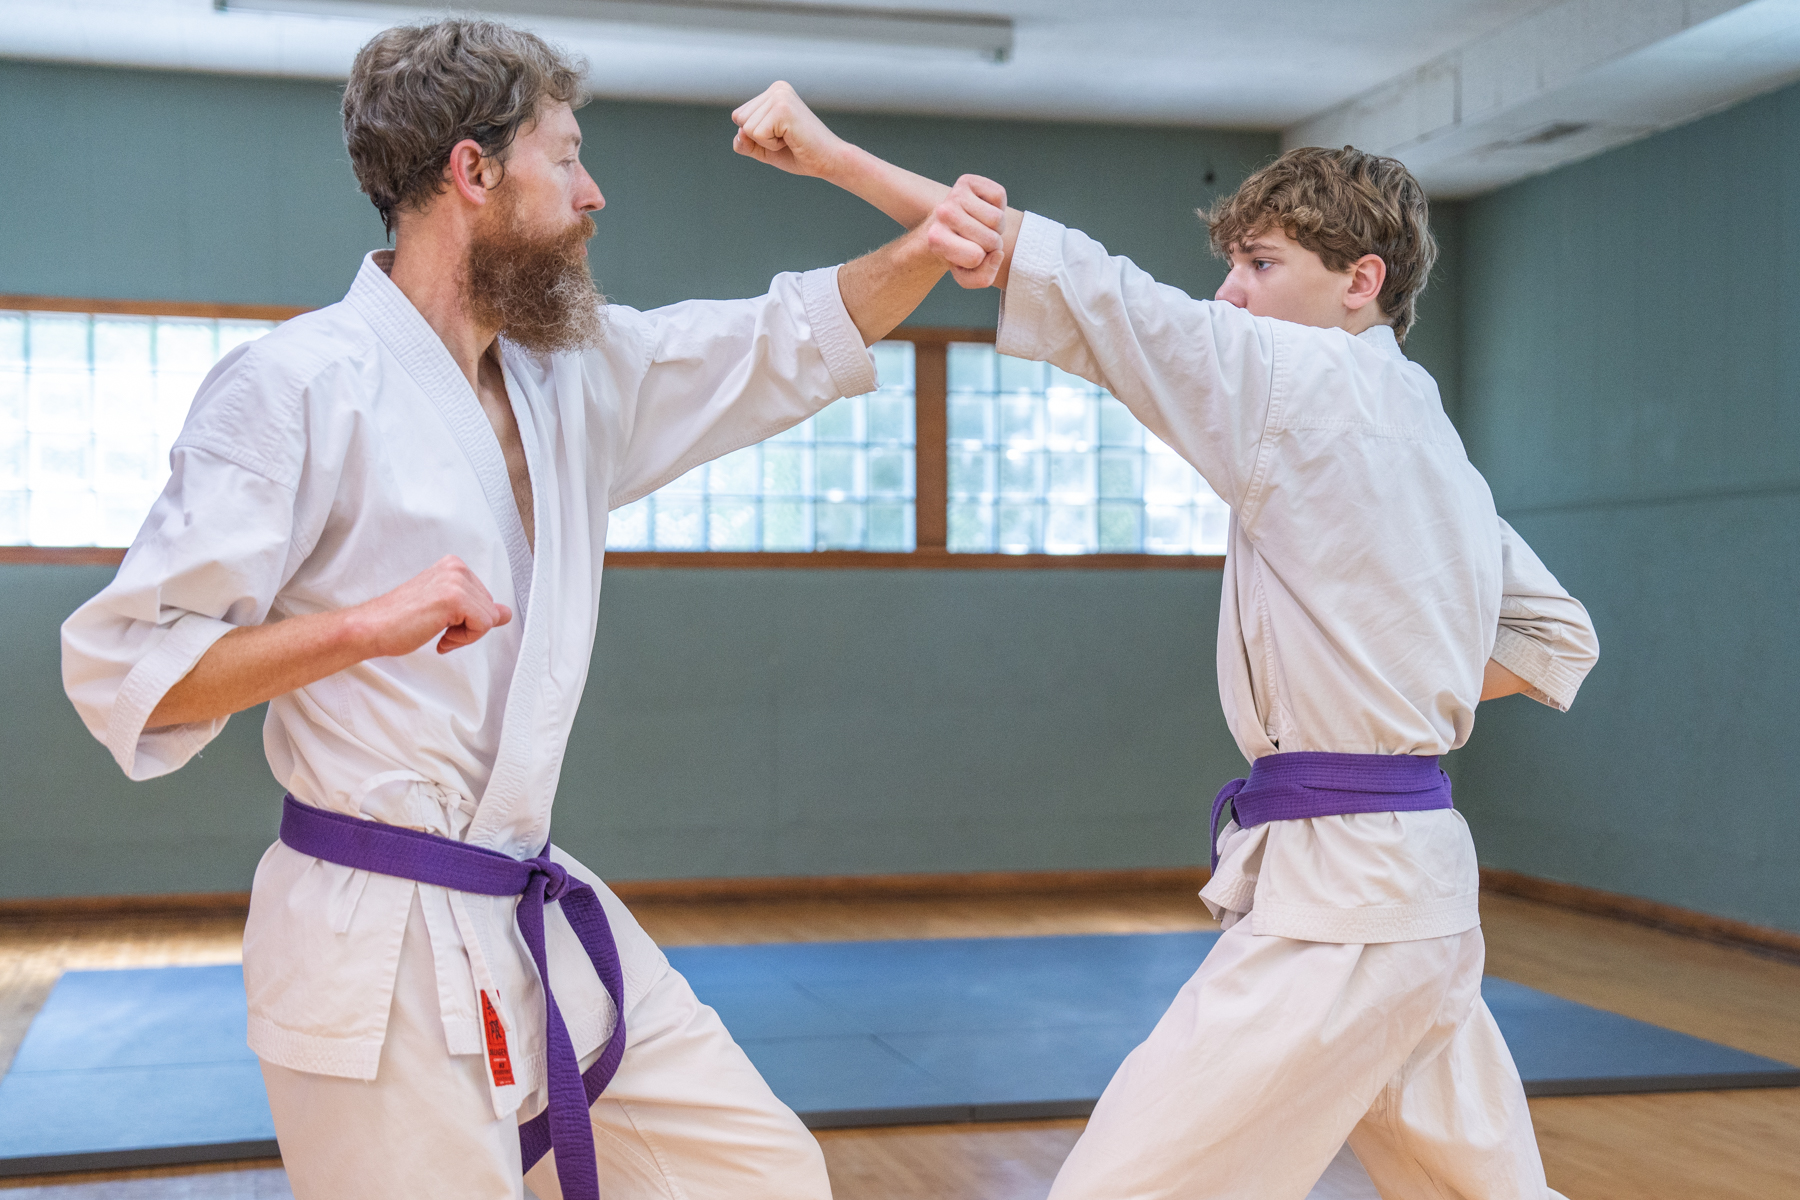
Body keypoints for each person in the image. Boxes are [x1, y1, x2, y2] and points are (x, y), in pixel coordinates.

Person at [61, 24, 962, 1200]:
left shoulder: (566, 371)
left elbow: (775, 339)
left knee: (755, 1172)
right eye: (567, 158)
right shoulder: (297, 387)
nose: (594, 193)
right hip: (372, 935)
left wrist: (928, 244)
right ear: (471, 174)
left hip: (522, 883)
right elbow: (132, 670)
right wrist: (361, 628)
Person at [732, 85, 1599, 1199]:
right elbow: (1552, 634)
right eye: (1231, 265)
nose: (1229, 293)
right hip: (1416, 891)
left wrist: (838, 157)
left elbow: (1072, 279)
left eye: (1261, 263)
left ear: (1361, 282)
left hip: (1345, 916)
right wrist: (1387, 706)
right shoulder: (1425, 428)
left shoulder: (1297, 378)